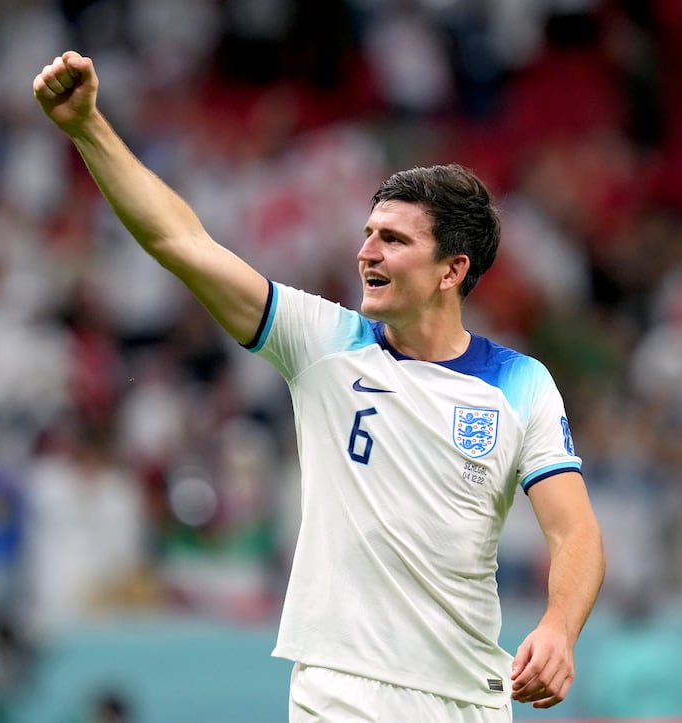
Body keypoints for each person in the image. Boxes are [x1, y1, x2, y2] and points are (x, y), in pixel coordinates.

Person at [33, 51, 605, 722]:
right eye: (368, 234)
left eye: (393, 240)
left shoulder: (521, 383)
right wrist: (88, 128)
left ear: (452, 270)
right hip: (344, 690)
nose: (366, 252)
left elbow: (575, 531)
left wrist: (559, 627)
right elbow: (180, 241)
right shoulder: (323, 343)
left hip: (469, 699)